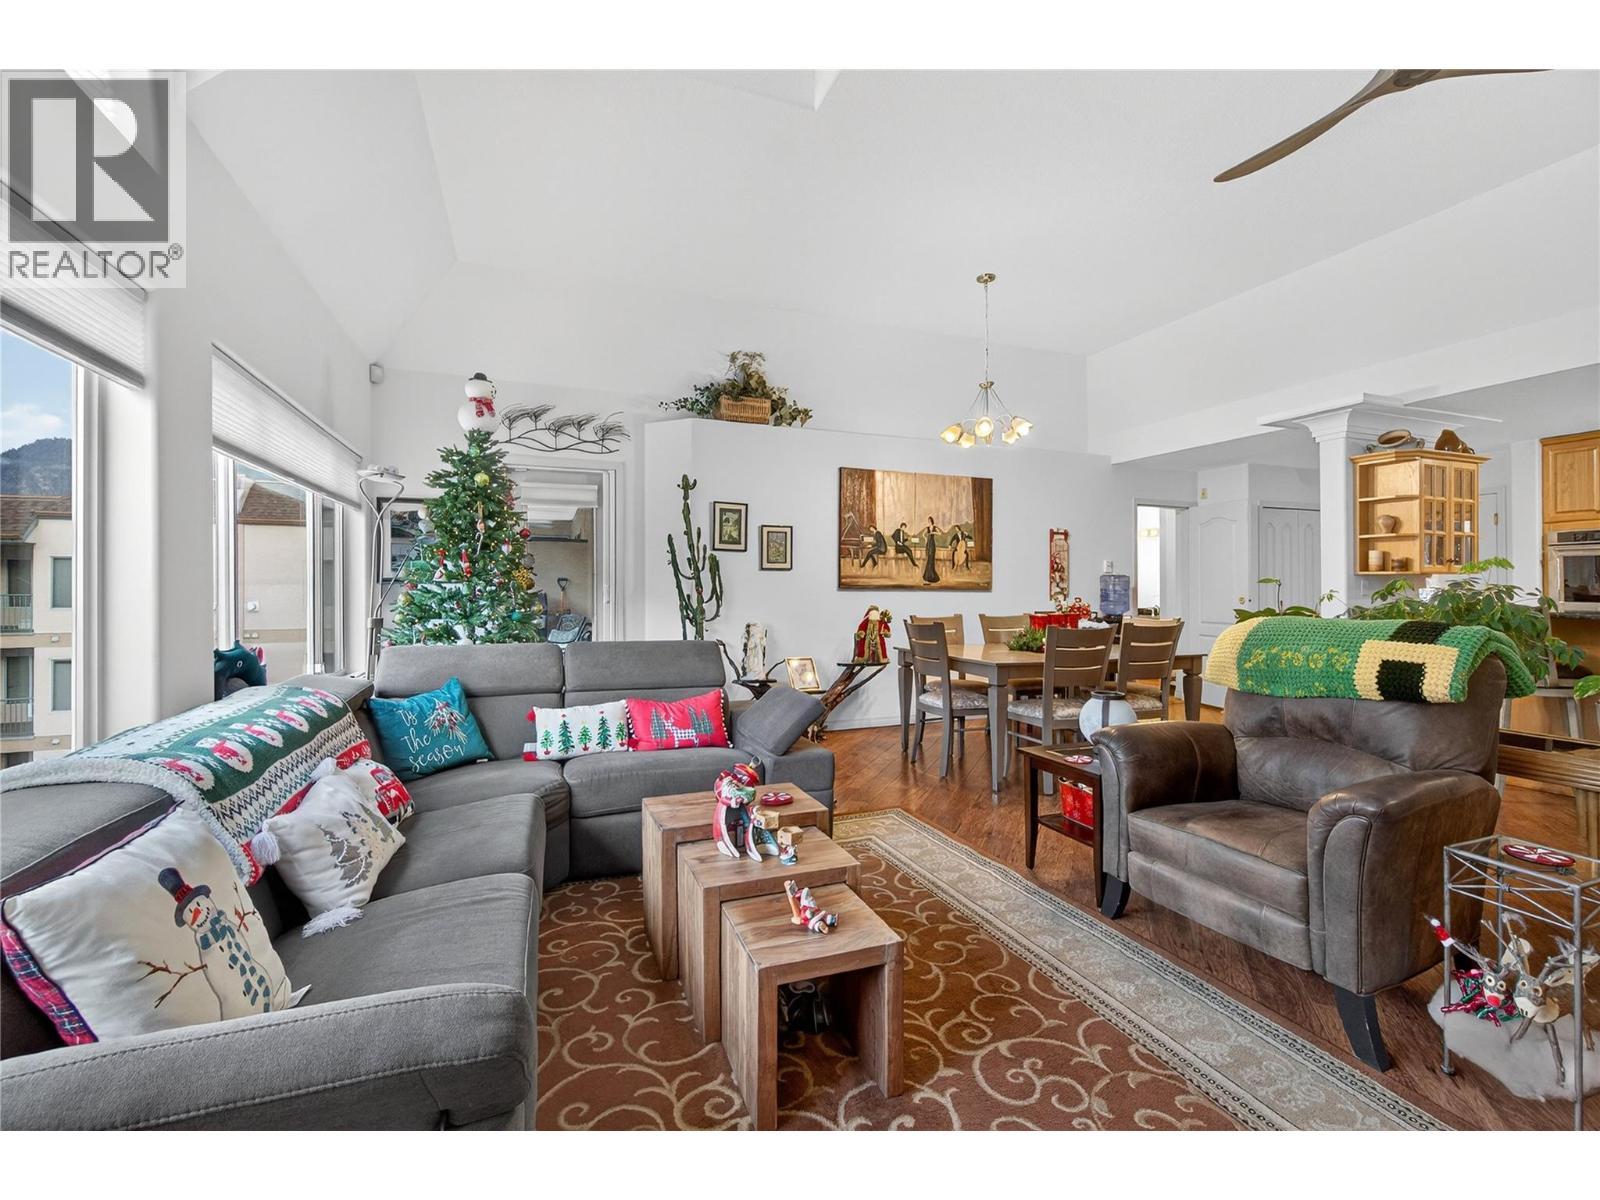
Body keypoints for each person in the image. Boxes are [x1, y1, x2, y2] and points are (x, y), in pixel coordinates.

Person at [921, 517, 941, 585]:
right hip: (928, 543)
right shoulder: (927, 528)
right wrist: (925, 539)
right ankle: (927, 577)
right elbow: (923, 534)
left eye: (929, 521)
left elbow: (940, 533)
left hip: (932, 543)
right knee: (928, 559)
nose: (929, 522)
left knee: (931, 560)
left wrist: (933, 532)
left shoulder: (934, 527)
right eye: (928, 521)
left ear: (932, 521)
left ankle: (931, 577)